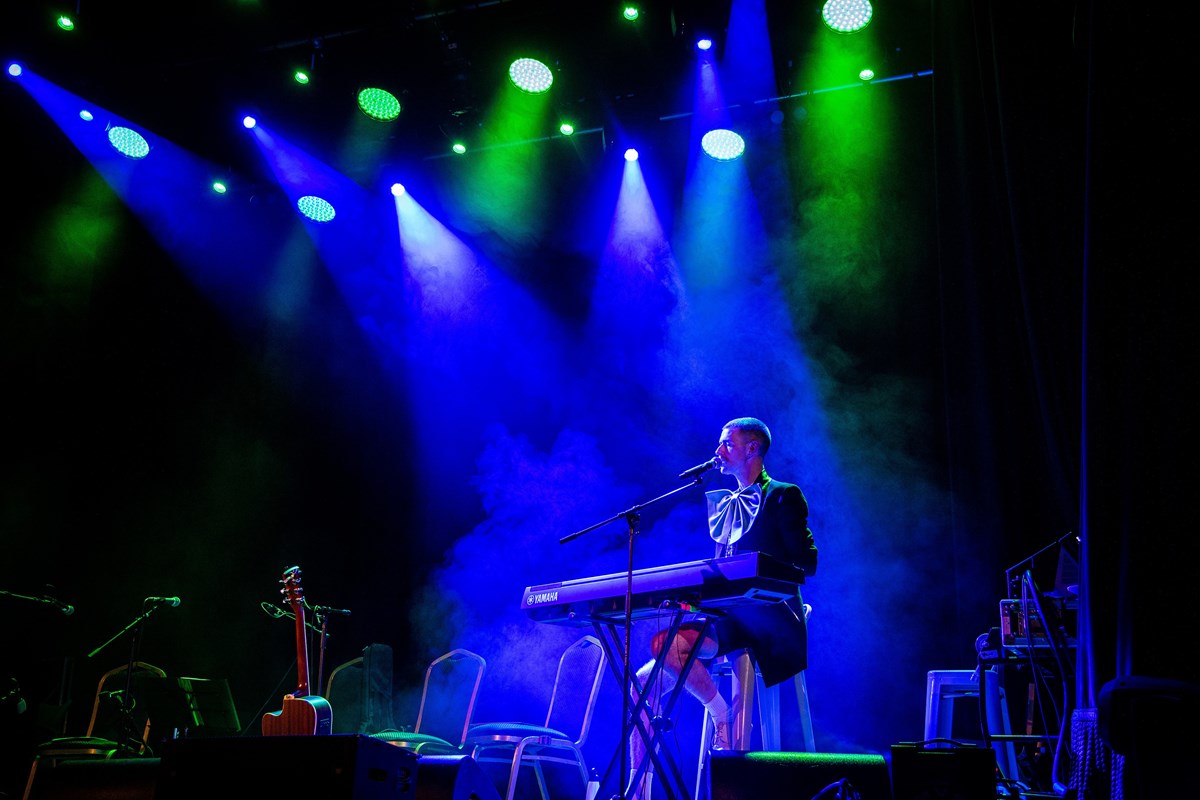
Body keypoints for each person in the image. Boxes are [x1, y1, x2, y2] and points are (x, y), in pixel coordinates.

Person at [628, 417, 818, 798]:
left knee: (670, 651)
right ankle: (641, 789)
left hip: (768, 621)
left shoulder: (783, 495)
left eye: (727, 444)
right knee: (646, 679)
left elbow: (807, 562)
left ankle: (723, 721)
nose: (718, 452)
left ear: (752, 449)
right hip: (729, 620)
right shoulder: (725, 507)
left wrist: (757, 575)